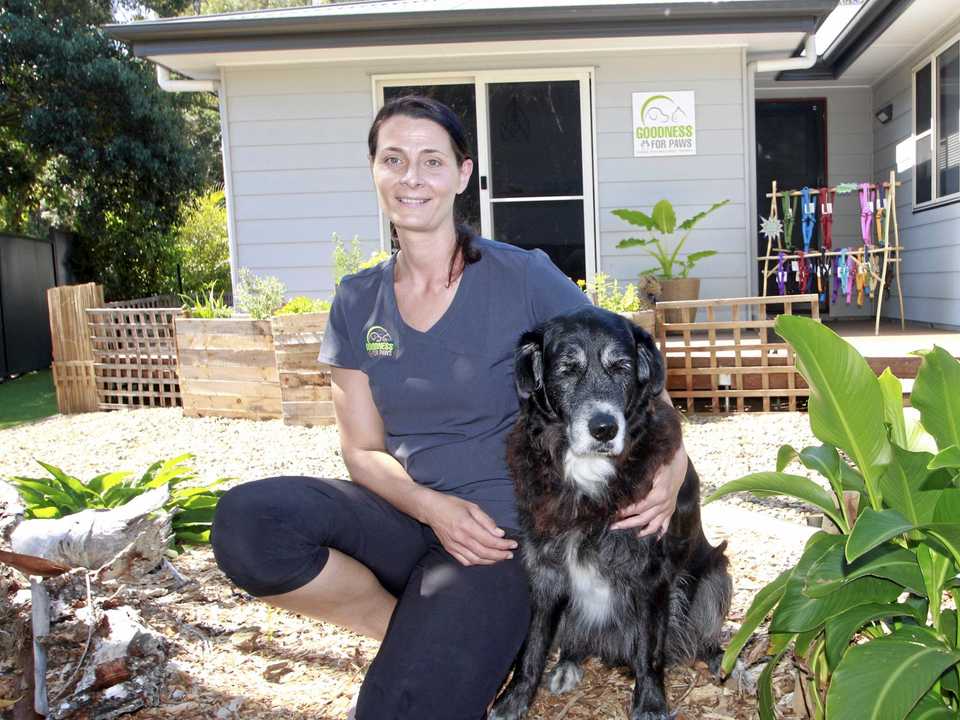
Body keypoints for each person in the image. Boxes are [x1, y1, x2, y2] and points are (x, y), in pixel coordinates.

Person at [210, 95, 692, 719]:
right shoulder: (357, 302)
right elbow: (361, 450)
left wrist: (672, 468)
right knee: (250, 523)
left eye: (432, 160)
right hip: (404, 514)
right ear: (375, 171)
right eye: (395, 159)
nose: (412, 176)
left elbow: (633, 368)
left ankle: (465, 632)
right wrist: (430, 507)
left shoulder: (522, 276)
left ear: (462, 175)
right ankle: (412, 628)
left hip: (499, 541)